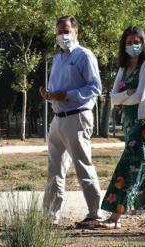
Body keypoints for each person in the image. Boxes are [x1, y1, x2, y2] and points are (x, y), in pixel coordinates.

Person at [98, 26, 145, 230]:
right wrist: (129, 93)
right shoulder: (123, 68)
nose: (133, 45)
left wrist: (124, 95)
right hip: (130, 124)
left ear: (143, 42)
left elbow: (141, 95)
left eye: (137, 41)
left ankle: (115, 218)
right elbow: (113, 98)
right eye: (128, 42)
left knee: (129, 168)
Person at [40, 16, 103, 228]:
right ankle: (50, 216)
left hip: (77, 117)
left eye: (66, 31)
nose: (62, 36)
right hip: (57, 119)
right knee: (54, 170)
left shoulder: (84, 56)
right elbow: (56, 88)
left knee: (82, 166)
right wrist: (49, 95)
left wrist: (66, 95)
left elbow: (95, 87)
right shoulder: (57, 59)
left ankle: (95, 213)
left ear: (75, 32)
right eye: (59, 32)